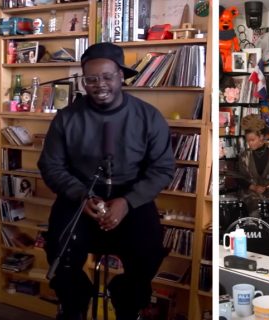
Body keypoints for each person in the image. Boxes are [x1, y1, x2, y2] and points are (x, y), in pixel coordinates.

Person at [38, 42, 175, 320]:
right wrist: (80, 195)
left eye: (107, 76)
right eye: (91, 79)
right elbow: (50, 165)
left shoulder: (148, 117)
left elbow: (162, 169)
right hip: (80, 196)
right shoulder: (66, 119)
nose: (99, 84)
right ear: (83, 81)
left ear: (121, 76)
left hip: (132, 198)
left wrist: (127, 202)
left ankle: (127, 303)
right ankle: (75, 304)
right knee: (58, 250)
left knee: (149, 253)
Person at [236, 114, 269, 216]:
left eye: (252, 140)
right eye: (248, 141)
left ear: (261, 137)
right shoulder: (244, 156)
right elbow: (239, 178)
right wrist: (254, 187)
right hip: (250, 194)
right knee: (258, 209)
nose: (249, 143)